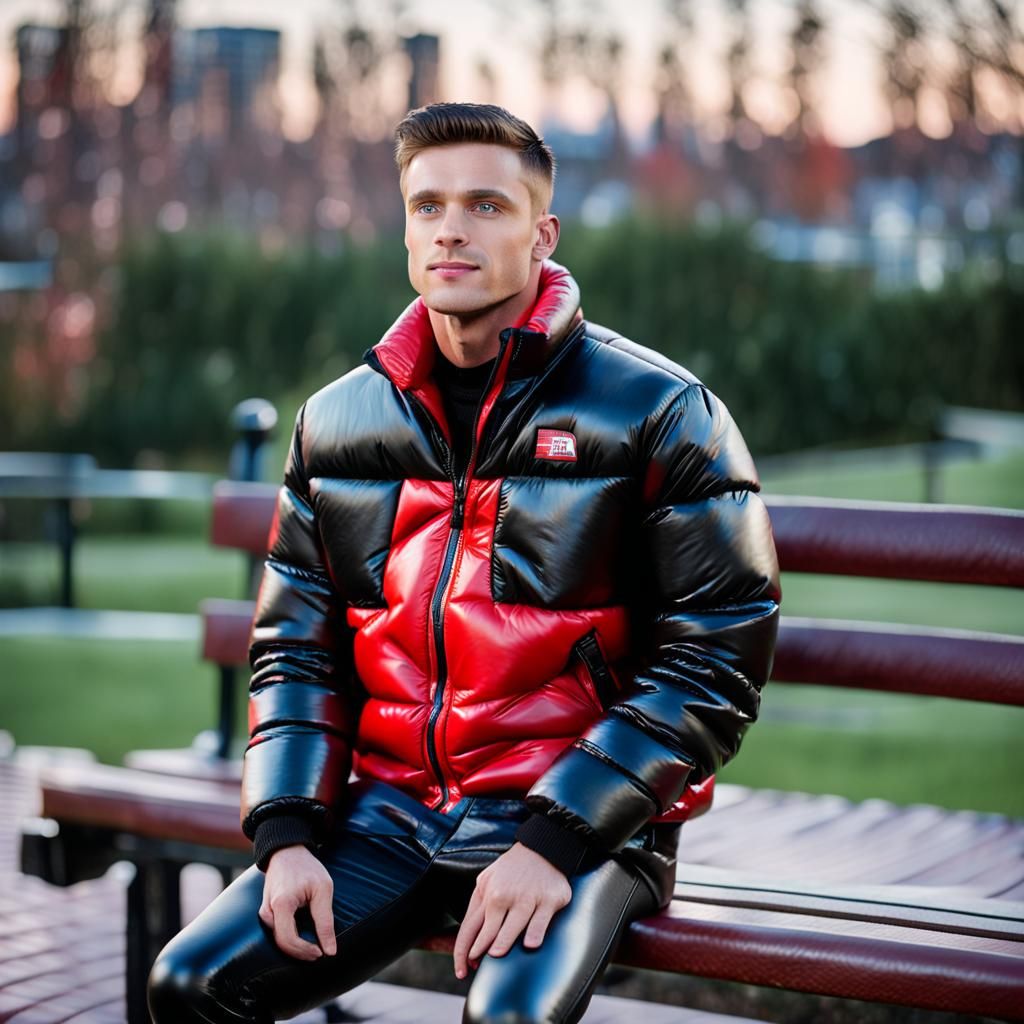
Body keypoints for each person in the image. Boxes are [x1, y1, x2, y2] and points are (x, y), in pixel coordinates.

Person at [148, 102, 780, 1024]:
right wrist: (286, 832)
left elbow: (714, 658)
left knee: (507, 1022)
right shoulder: (337, 422)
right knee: (191, 985)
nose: (451, 227)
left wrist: (557, 835)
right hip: (390, 814)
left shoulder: (659, 410)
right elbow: (296, 650)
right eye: (427, 205)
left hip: (585, 818)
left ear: (541, 233)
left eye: (486, 205)